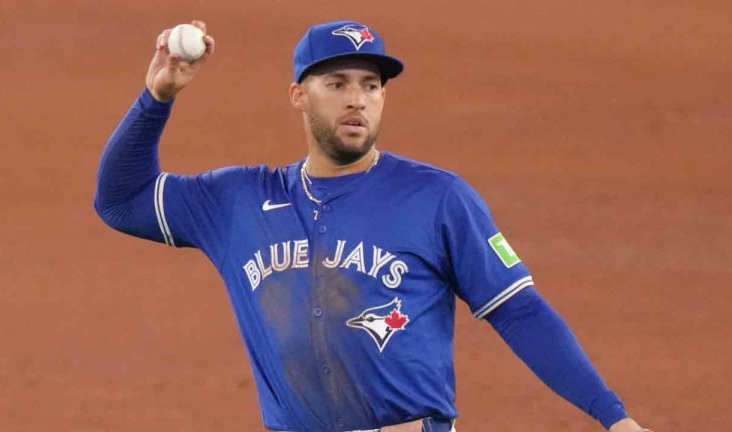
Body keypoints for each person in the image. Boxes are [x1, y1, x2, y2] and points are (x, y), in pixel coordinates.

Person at [95, 19, 652, 432]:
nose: (357, 100)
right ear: (298, 95)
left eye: (371, 85)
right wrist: (157, 98)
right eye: (337, 83)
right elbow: (121, 200)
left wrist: (614, 418)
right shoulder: (238, 200)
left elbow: (518, 309)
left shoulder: (437, 198)